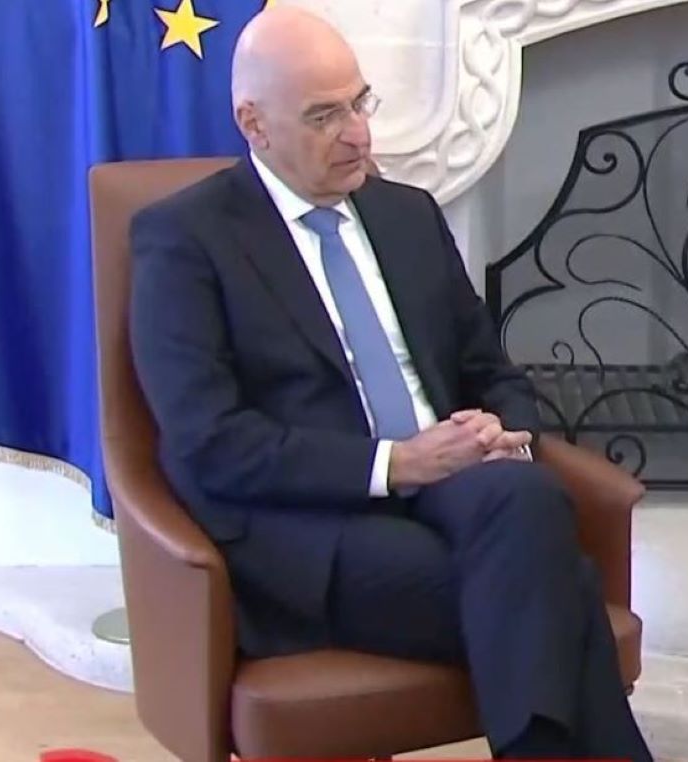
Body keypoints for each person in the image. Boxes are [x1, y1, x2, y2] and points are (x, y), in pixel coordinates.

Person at [128, 5, 652, 760]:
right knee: (556, 587)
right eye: (324, 116)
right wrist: (397, 464)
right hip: (306, 526)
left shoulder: (406, 214)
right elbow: (211, 443)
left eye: (360, 103)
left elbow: (490, 370)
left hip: (451, 486)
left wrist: (504, 431)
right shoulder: (184, 238)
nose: (358, 135)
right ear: (254, 123)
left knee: (529, 495)